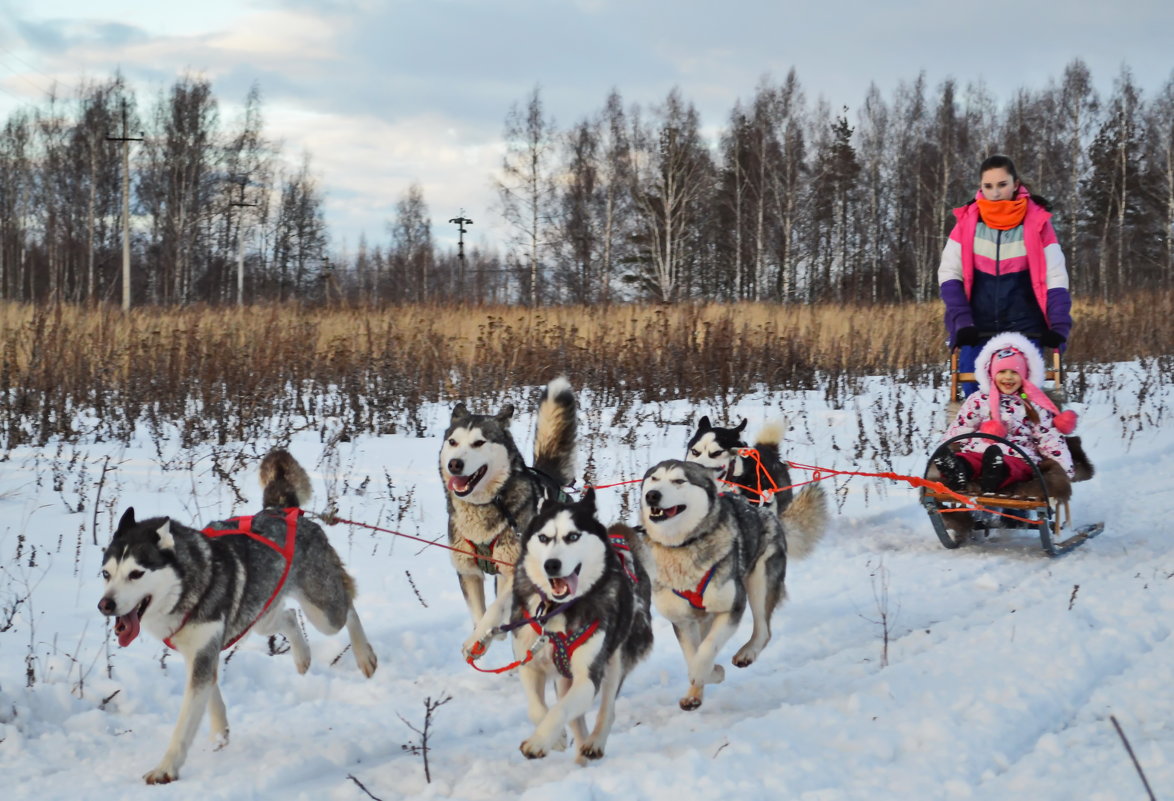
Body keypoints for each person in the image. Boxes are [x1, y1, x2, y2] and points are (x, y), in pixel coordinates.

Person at [937, 154, 1072, 395]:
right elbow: (949, 275)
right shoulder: (968, 222)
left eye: (1002, 185)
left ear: (1015, 183)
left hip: (1025, 328)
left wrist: (1059, 325)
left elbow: (1056, 278)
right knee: (975, 398)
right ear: (981, 186)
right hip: (977, 328)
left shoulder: (1037, 223)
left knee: (1021, 400)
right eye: (988, 186)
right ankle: (977, 434)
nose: (995, 193)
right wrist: (962, 322)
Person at [933, 332, 1077, 493]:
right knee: (968, 459)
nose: (1008, 377)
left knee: (1013, 467)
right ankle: (958, 470)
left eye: (1014, 372)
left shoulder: (1033, 404)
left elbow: (1049, 437)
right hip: (978, 450)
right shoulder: (979, 399)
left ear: (1024, 375)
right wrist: (944, 447)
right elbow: (961, 426)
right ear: (992, 374)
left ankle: (996, 475)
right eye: (1002, 372)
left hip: (1018, 456)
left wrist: (1063, 469)